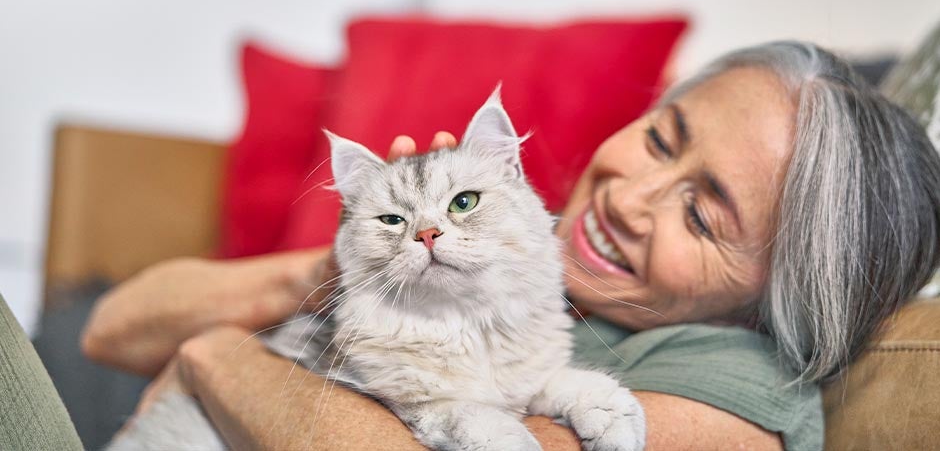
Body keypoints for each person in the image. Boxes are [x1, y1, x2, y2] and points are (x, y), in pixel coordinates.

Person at [81, 41, 940, 450]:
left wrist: (212, 358)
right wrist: (355, 265)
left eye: (703, 216)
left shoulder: (736, 385)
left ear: (779, 291)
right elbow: (111, 332)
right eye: (660, 138)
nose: (630, 199)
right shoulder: (518, 236)